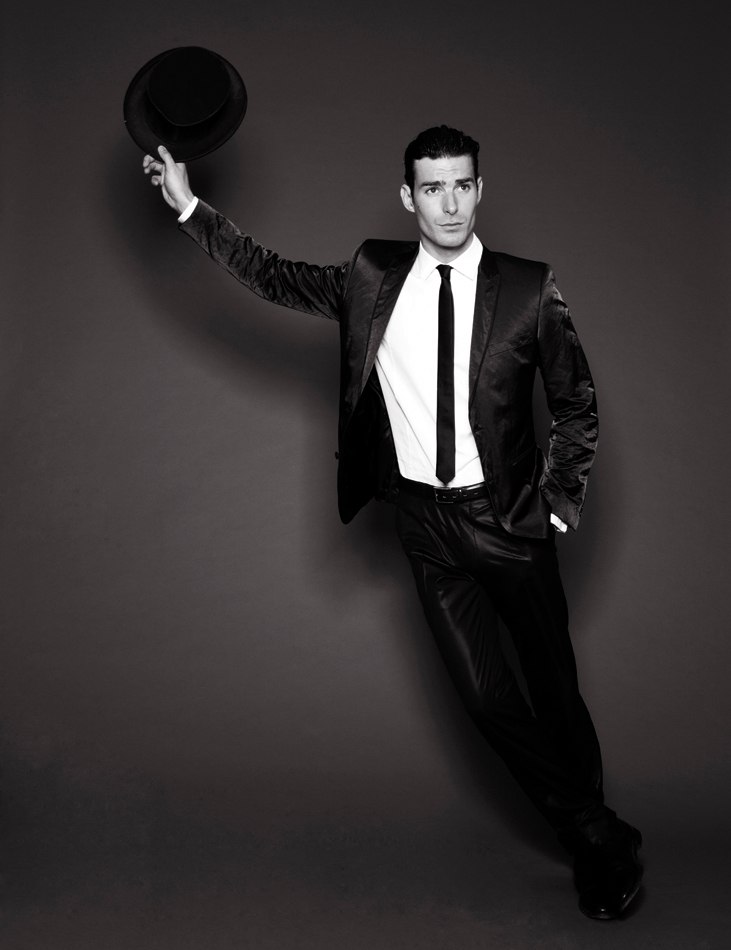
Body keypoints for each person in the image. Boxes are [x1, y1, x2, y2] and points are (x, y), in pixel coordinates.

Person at [142, 125, 642, 919]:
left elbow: (575, 401)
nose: (449, 203)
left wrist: (555, 502)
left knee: (554, 693)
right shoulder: (371, 276)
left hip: (509, 524)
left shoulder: (528, 287)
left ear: (479, 190)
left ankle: (595, 844)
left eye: (461, 185)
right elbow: (272, 275)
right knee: (484, 701)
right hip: (427, 528)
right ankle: (599, 833)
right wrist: (188, 207)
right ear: (408, 197)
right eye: (432, 188)